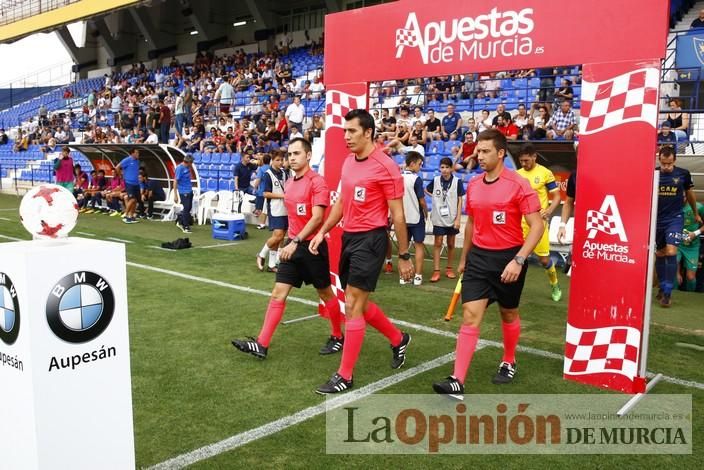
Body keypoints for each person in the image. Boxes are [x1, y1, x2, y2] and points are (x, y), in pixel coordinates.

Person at [432, 129, 543, 400]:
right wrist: (464, 257)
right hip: (479, 259)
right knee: (470, 315)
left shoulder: (519, 184)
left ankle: (509, 359)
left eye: (485, 151)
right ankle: (457, 380)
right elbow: (471, 224)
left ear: (501, 153)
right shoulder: (475, 184)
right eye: (478, 151)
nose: (478, 156)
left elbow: (537, 226)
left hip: (509, 259)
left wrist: (519, 260)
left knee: (508, 314)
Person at [309, 109, 413, 394]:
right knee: (360, 304)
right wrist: (322, 231)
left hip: (372, 239)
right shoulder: (348, 163)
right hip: (349, 237)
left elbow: (399, 217)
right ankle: (398, 338)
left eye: (352, 131)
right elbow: (341, 203)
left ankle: (345, 375)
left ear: (368, 132)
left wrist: (403, 256)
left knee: (353, 304)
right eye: (344, 131)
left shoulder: (386, 166)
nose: (346, 137)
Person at [232, 138, 345, 358]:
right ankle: (262, 344)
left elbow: (318, 217)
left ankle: (338, 336)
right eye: (289, 155)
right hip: (292, 246)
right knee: (278, 294)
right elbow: (292, 216)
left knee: (325, 293)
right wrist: (288, 240)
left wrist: (295, 242)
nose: (291, 158)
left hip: (312, 247)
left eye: (296, 154)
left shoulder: (317, 182)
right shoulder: (290, 183)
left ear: (308, 155)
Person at [516, 144, 563, 301]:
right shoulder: (517, 174)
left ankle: (554, 284)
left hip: (538, 223)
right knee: (517, 257)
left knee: (544, 260)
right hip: (520, 222)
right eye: (521, 161)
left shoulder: (545, 173)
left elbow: (556, 196)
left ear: (534, 157)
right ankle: (512, 288)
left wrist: (549, 210)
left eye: (526, 160)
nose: (523, 164)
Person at [655, 146, 701, 307]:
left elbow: (690, 194)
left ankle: (667, 292)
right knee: (660, 253)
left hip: (675, 218)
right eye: (663, 163)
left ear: (674, 160)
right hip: (657, 220)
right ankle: (661, 286)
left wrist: (695, 213)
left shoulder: (683, 174)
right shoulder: (654, 174)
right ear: (659, 160)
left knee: (671, 250)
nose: (666, 167)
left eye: (669, 164)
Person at [425, 157, 465, 283]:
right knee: (438, 243)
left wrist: (458, 218)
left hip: (452, 217)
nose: (445, 170)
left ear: (451, 168)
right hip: (438, 217)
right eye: (442, 167)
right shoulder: (436, 180)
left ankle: (449, 269)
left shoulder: (457, 182)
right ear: (439, 168)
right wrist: (436, 198)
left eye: (447, 167)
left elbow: (460, 200)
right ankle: (436, 271)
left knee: (451, 244)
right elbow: (426, 190)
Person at [257, 151, 290, 272]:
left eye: (281, 160)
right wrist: (282, 196)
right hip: (275, 208)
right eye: (277, 160)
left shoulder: (284, 173)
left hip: (286, 209)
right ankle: (261, 254)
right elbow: (265, 193)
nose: (280, 162)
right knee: (278, 236)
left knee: (279, 238)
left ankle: (271, 265)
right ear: (272, 160)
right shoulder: (267, 174)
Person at [400, 151, 428, 286]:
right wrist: (426, 211)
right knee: (418, 246)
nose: (420, 167)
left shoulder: (398, 177)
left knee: (403, 247)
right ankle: (417, 276)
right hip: (416, 217)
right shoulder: (416, 179)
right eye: (419, 164)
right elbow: (422, 201)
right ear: (412, 164)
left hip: (402, 218)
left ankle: (403, 276)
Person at [679, 196, 704, 292]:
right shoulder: (673, 206)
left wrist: (695, 233)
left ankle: (690, 298)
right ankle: (671, 296)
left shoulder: (698, 207)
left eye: (684, 196)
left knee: (690, 277)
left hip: (692, 247)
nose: (682, 198)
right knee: (674, 275)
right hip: (677, 244)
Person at [115, 148, 141, 224]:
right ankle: (126, 215)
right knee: (132, 199)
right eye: (136, 153)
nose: (138, 154)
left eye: (138, 153)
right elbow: (117, 167)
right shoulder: (127, 160)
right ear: (132, 153)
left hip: (136, 183)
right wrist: (120, 176)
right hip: (129, 183)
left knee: (135, 200)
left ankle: (131, 216)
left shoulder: (137, 161)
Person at [174, 155, 195, 233]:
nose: (192, 163)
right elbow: (176, 180)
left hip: (189, 190)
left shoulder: (188, 168)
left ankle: (180, 220)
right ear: (188, 162)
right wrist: (175, 194)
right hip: (183, 191)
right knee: (186, 208)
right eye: (191, 162)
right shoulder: (180, 168)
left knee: (189, 208)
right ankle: (185, 226)